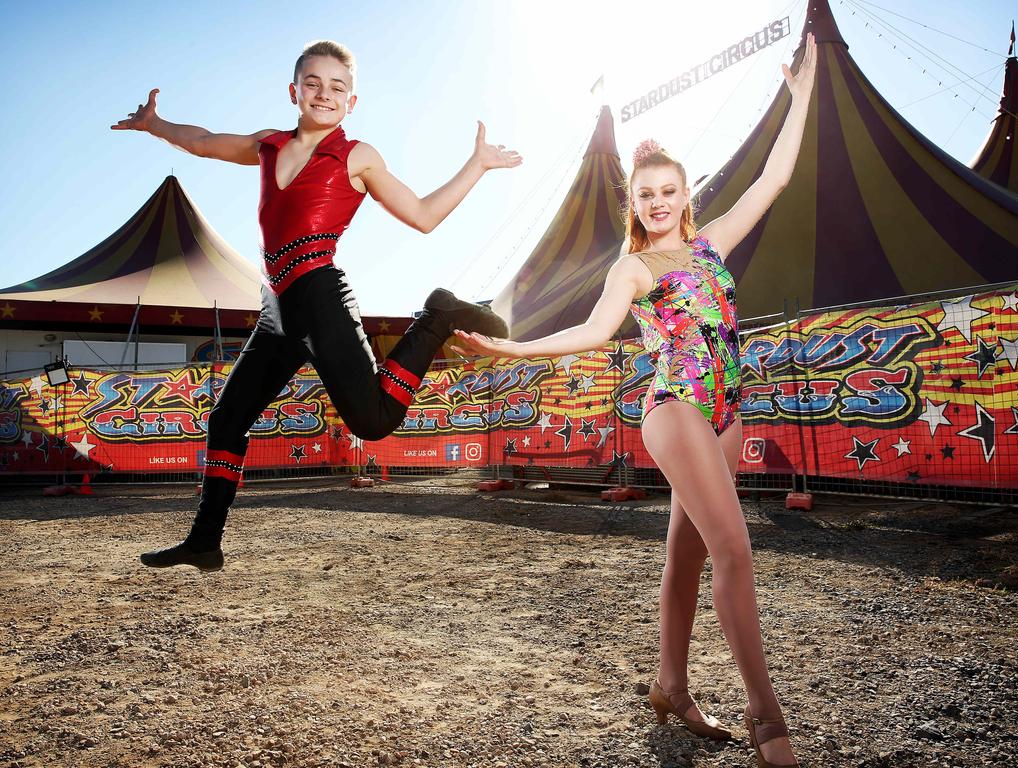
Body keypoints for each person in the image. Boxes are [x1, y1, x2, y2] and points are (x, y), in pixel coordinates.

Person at [453, 33, 817, 768]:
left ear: (687, 194)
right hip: (676, 407)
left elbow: (774, 180)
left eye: (668, 191)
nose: (657, 203)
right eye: (645, 195)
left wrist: (801, 97)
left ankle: (671, 687)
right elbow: (591, 330)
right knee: (735, 551)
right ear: (635, 203)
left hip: (725, 411)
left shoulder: (711, 245)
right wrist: (511, 350)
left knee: (685, 555)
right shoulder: (634, 267)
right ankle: (766, 717)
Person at [112, 40, 521, 573]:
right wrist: (157, 124)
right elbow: (207, 142)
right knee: (226, 418)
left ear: (351, 102)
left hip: (321, 294)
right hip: (277, 309)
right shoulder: (268, 145)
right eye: (313, 84)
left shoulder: (357, 155)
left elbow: (423, 215)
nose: (323, 94)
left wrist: (477, 164)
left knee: (373, 423)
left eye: (337, 87)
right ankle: (205, 541)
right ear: (294, 91)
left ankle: (437, 315)